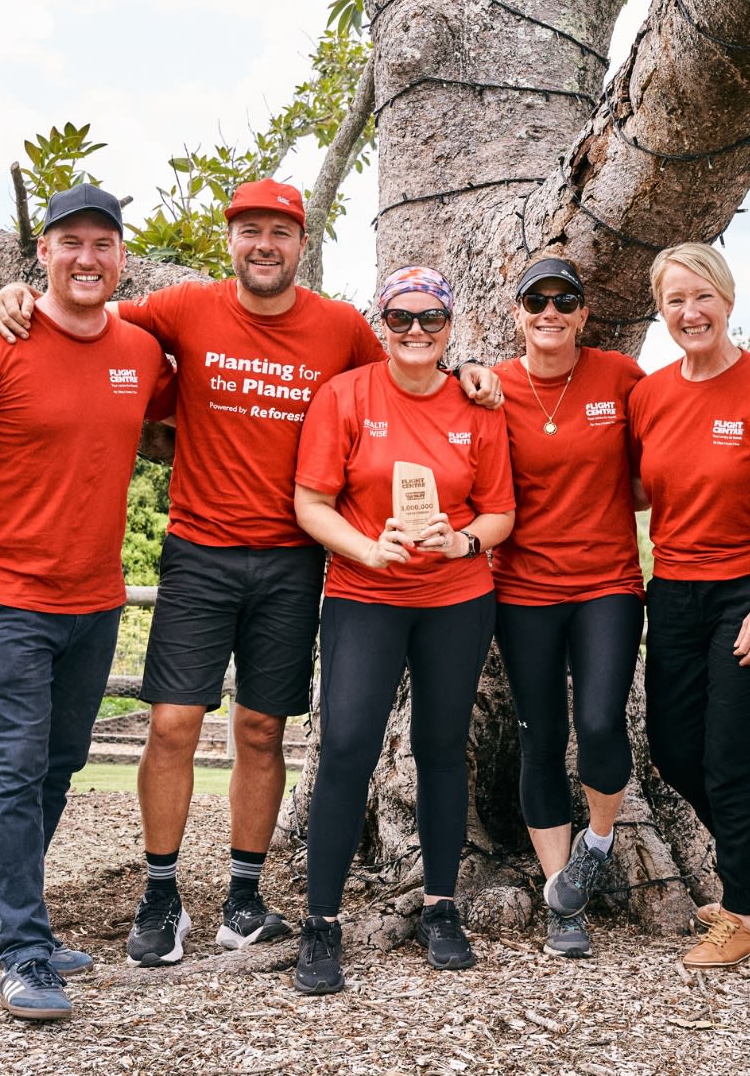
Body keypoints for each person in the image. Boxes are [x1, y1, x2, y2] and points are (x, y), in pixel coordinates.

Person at [0, 181, 500, 968]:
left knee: (263, 730)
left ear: (302, 243)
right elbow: (87, 310)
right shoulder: (184, 308)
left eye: (282, 232)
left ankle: (244, 897)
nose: (266, 245)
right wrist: (18, 292)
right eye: (250, 230)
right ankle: (161, 895)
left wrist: (469, 373)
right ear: (232, 240)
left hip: (294, 560)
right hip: (200, 550)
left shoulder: (337, 328)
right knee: (173, 724)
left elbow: (407, 367)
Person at [0, 184, 175, 1021]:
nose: (86, 258)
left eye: (103, 244)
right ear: (42, 255)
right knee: (15, 765)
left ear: (121, 258)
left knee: (59, 764)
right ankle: (24, 949)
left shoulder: (138, 350)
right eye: (69, 244)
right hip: (4, 594)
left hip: (94, 600)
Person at [290, 266, 515, 995]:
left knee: (443, 750)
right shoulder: (346, 396)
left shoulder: (478, 406)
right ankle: (320, 924)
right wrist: (365, 548)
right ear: (380, 323)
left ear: (451, 327)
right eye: (400, 319)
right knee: (348, 747)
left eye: (430, 320)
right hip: (365, 593)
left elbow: (499, 513)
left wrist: (465, 542)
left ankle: (440, 907)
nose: (415, 332)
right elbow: (311, 502)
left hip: (456, 597)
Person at [628, 242, 750, 971]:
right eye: (675, 300)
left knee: (733, 759)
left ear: (727, 301)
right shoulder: (650, 394)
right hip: (671, 589)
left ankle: (741, 914)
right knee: (672, 749)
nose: (690, 312)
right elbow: (640, 489)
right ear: (661, 310)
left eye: (702, 297)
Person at [490, 258, 646, 960]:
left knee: (601, 723)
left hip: (607, 583)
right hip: (522, 590)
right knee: (541, 736)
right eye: (536, 301)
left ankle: (599, 843)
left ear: (585, 315)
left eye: (565, 301)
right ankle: (563, 897)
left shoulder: (621, 378)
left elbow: (658, 465)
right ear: (518, 313)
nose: (550, 311)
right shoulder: (490, 386)